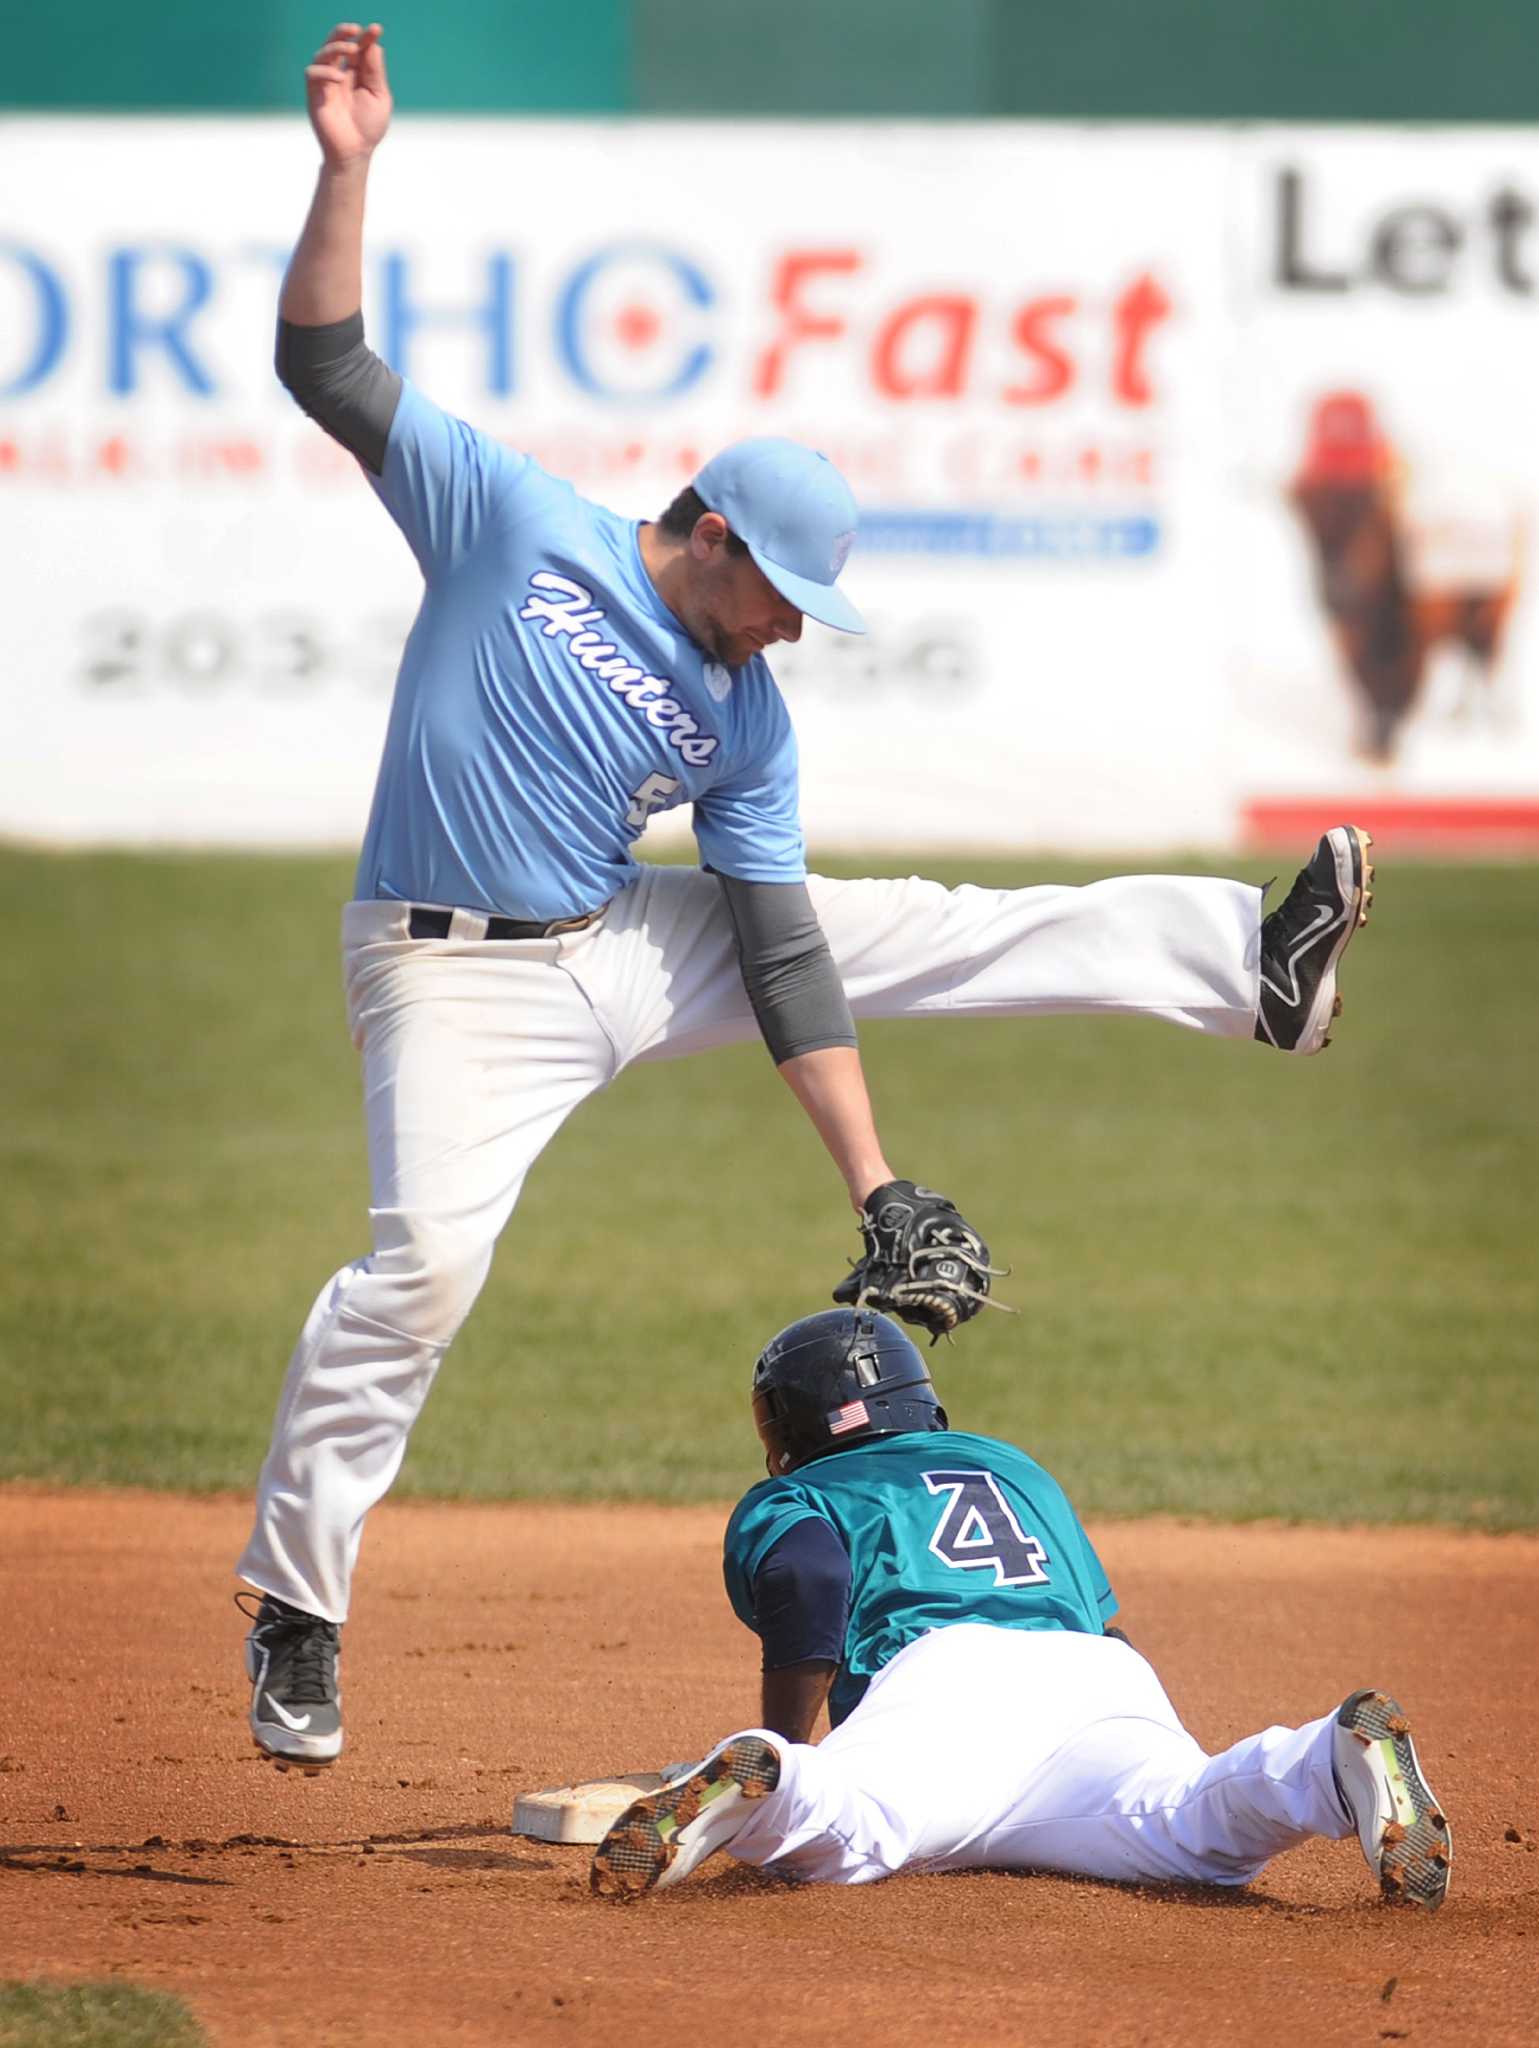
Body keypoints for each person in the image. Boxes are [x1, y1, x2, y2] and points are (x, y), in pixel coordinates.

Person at [236, 21, 1376, 1775]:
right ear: (705, 529)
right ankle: (298, 1605)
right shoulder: (507, 518)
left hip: (615, 938)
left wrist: (879, 1182)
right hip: (446, 973)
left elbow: (777, 949)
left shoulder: (744, 714)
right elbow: (323, 357)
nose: (788, 629)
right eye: (779, 593)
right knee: (424, 1268)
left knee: (894, 916)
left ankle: (1249, 958)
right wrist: (347, 164)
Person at [590, 1309, 1452, 1910]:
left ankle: (772, 1779)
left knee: (857, 1828)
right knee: (1195, 1822)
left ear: (793, 1423)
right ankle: (1323, 1760)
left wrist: (793, 1735)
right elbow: (1100, 1622)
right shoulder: (1010, 1466)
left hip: (943, 1690)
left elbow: (808, 1580)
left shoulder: (806, 1490)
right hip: (1095, 1678)